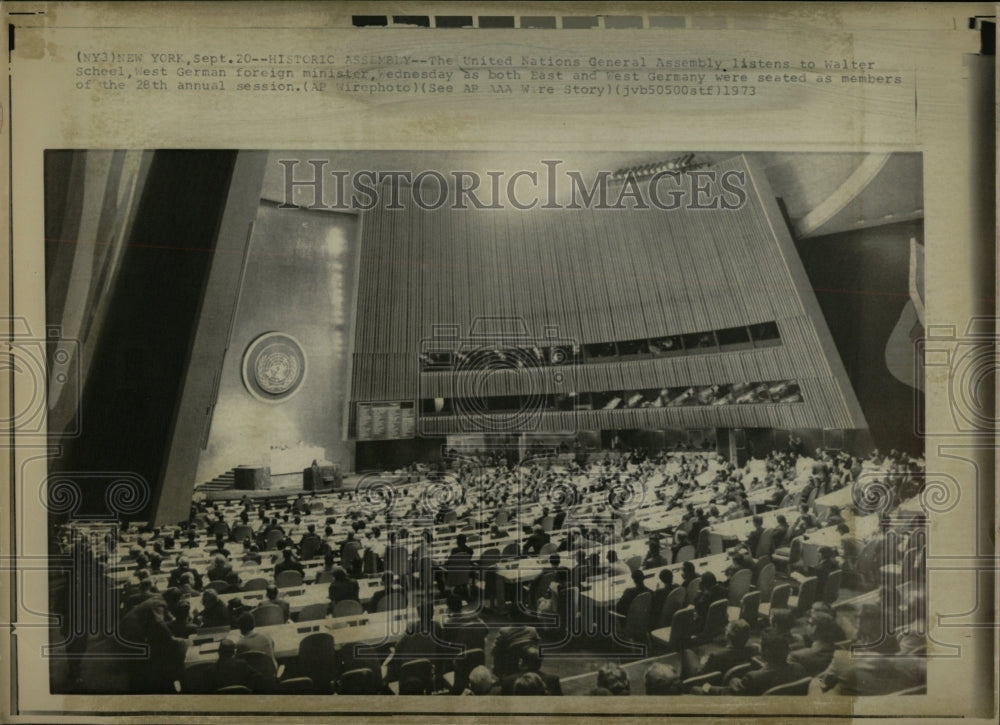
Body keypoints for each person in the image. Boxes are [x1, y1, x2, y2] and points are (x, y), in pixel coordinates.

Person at [691, 619, 756, 677]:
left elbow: (700, 675)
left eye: (727, 629)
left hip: (707, 684)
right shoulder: (754, 650)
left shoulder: (716, 656)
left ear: (727, 635)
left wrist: (703, 663)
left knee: (687, 652)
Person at [788, 611, 840, 675]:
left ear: (814, 628)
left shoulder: (795, 656)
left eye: (808, 623)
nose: (806, 626)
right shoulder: (841, 651)